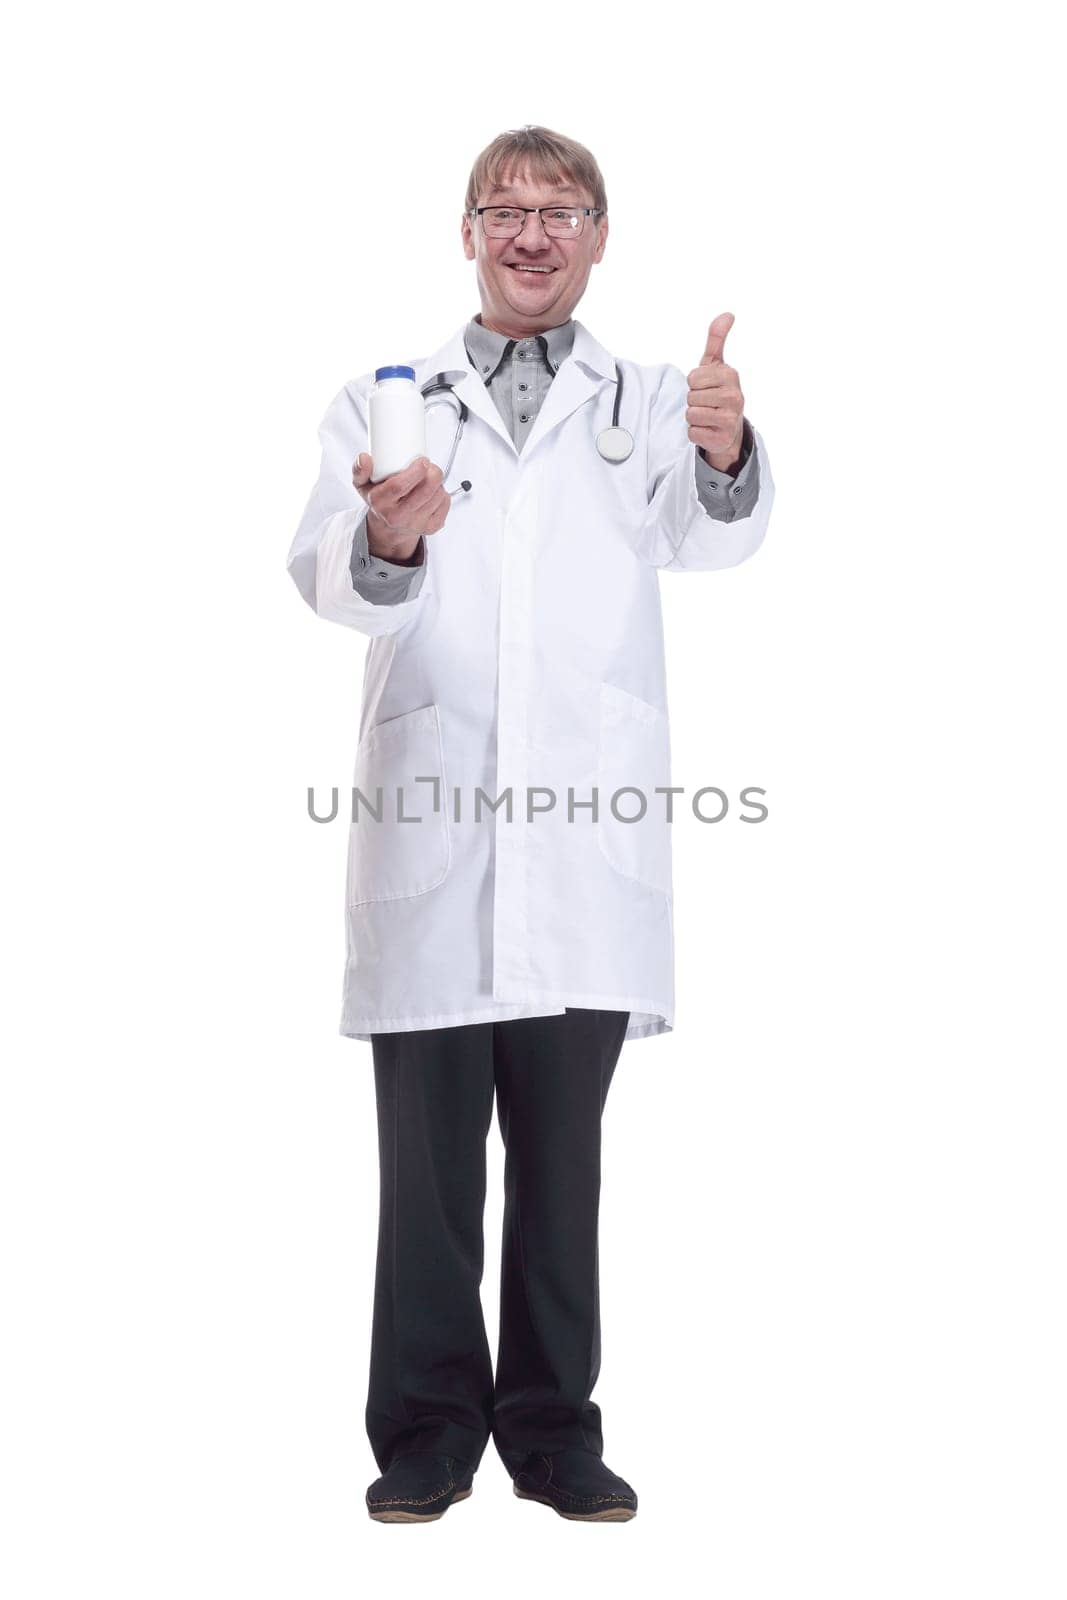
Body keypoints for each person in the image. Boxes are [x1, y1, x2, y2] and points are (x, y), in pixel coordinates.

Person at [286, 125, 775, 1523]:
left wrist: (729, 450)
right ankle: (428, 1433)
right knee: (427, 1181)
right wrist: (387, 541)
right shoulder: (385, 403)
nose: (533, 232)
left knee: (564, 1172)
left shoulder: (654, 402)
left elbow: (717, 536)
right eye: (507, 207)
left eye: (563, 211)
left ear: (600, 239)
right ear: (468, 234)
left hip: (585, 848)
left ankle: (555, 1430)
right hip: (433, 838)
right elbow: (323, 574)